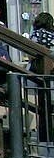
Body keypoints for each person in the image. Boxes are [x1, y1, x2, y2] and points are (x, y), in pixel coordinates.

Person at [29, 12, 54, 147]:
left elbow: (31, 54)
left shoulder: (36, 34)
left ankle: (43, 132)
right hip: (52, 73)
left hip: (39, 72)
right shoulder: (53, 34)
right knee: (49, 103)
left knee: (41, 102)